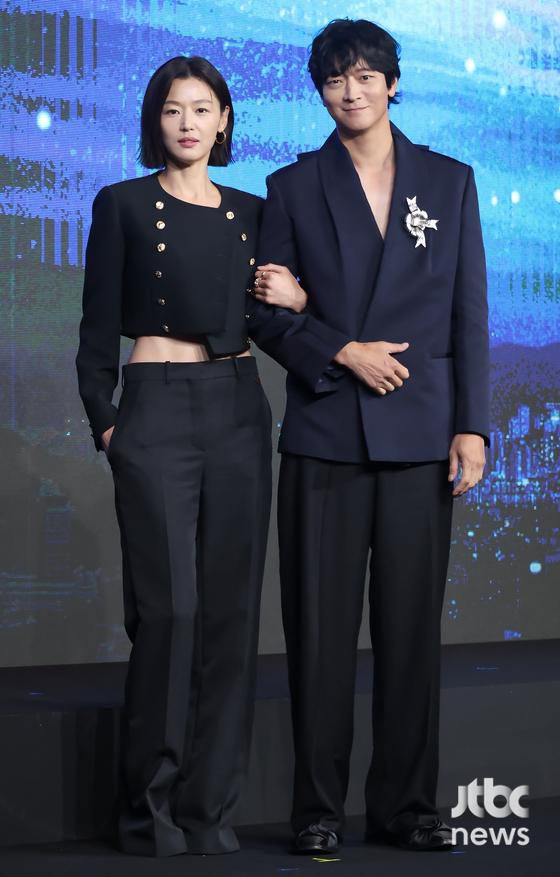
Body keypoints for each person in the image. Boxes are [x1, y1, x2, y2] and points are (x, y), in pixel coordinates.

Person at [249, 19, 489, 854]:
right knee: (318, 636)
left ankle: (407, 808)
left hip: (422, 435)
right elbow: (265, 316)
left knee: (412, 633)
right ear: (320, 91)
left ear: (392, 82)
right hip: (325, 435)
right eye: (333, 79)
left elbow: (468, 314)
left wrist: (472, 425)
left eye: (363, 76)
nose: (349, 92)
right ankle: (317, 810)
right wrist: (341, 348)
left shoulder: (449, 181)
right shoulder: (292, 186)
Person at [76, 55, 306, 857]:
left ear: (224, 120)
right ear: (156, 119)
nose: (187, 122)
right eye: (174, 108)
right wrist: (109, 424)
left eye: (202, 108)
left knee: (231, 616)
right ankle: (149, 812)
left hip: (238, 406)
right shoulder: (122, 204)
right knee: (170, 612)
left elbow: (276, 316)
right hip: (155, 407)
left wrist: (302, 299)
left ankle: (210, 810)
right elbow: (95, 328)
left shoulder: (253, 210)